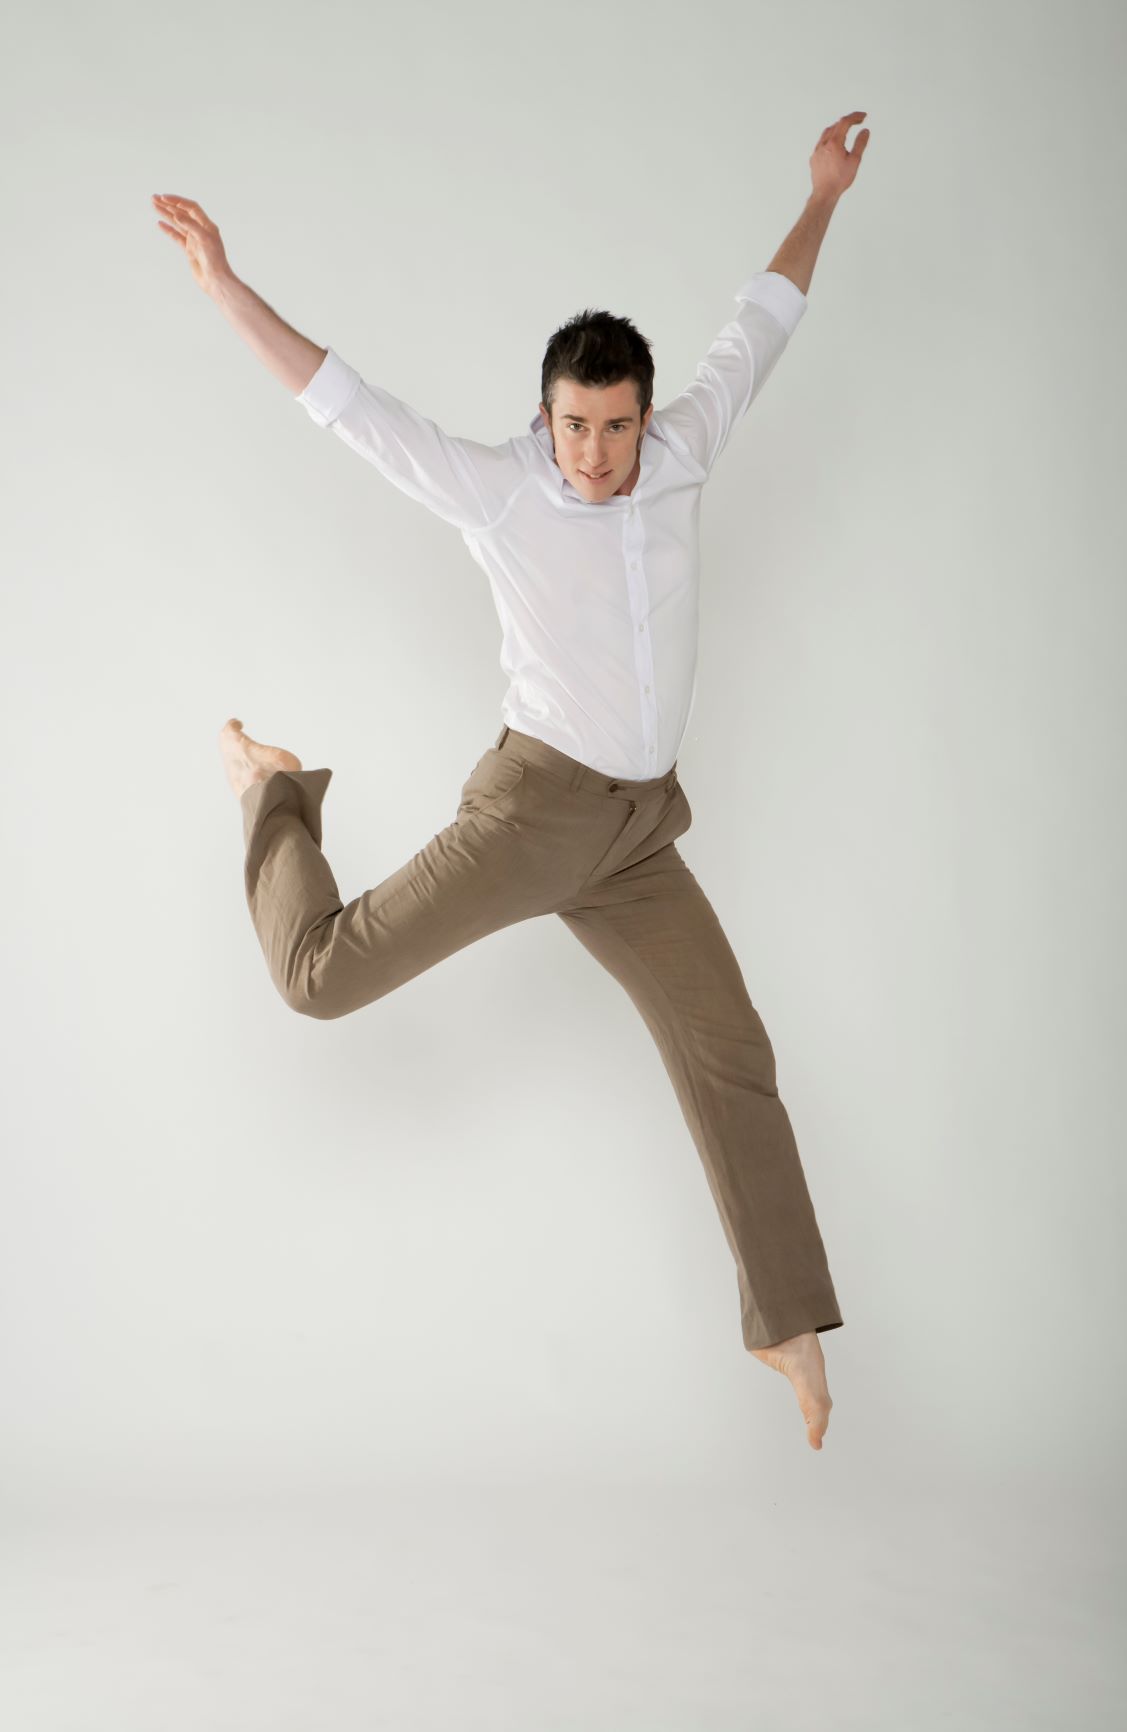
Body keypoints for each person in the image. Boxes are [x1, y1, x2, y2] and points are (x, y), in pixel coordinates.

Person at [152, 111, 870, 1452]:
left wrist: (819, 194)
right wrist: (228, 288)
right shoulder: (500, 492)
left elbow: (762, 319)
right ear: (538, 416)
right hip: (535, 815)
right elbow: (347, 407)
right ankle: (274, 795)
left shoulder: (686, 448)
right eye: (569, 426)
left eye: (611, 427)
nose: (590, 454)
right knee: (318, 979)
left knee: (733, 1054)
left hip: (639, 833)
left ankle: (780, 1316)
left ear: (646, 416)